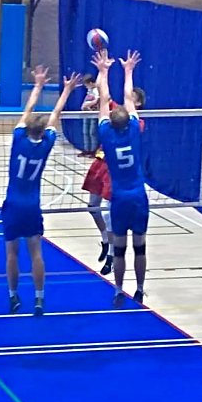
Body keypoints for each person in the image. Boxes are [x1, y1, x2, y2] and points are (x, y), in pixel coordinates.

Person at [2, 65, 80, 316]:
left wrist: (38, 85)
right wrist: (67, 90)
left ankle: (13, 296)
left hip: (13, 204)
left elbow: (27, 110)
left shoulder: (18, 139)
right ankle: (39, 298)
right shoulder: (46, 144)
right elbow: (56, 113)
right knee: (36, 252)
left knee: (12, 253)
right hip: (32, 206)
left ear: (27, 129)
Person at [92, 49, 148, 308]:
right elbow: (128, 98)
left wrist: (103, 71)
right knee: (140, 246)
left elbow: (104, 100)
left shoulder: (106, 134)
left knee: (120, 248)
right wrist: (128, 70)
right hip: (138, 197)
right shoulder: (135, 129)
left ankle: (118, 290)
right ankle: (140, 289)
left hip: (119, 199)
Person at [81, 89, 146, 276]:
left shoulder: (137, 124)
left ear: (138, 104)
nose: (127, 101)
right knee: (93, 207)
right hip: (100, 163)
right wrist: (101, 80)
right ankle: (105, 240)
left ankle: (111, 254)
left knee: (110, 214)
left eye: (131, 99)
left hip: (115, 171)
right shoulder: (117, 112)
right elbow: (103, 99)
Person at [79, 74, 100, 157]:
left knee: (92, 132)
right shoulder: (89, 91)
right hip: (86, 113)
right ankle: (86, 149)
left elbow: (97, 100)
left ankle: (93, 150)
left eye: (86, 84)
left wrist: (88, 104)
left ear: (91, 83)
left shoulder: (96, 91)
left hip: (93, 113)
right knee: (85, 132)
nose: (86, 86)